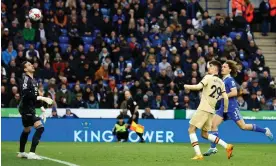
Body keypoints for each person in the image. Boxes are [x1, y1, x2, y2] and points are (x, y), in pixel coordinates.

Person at [204, 60, 273, 156]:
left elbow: (234, 92)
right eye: (222, 66)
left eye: (224, 67)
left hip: (231, 108)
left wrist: (222, 96)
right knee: (213, 125)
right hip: (223, 107)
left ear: (229, 69)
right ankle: (213, 148)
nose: (222, 68)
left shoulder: (230, 80)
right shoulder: (223, 80)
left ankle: (265, 131)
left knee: (243, 127)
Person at [184, 60, 233, 160]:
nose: (208, 68)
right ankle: (227, 146)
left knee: (191, 130)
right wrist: (225, 111)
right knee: (204, 134)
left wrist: (186, 86)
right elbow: (226, 98)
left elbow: (198, 87)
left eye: (210, 67)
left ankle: (198, 154)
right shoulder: (221, 82)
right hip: (211, 110)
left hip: (203, 108)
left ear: (215, 69)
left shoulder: (208, 77)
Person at [17, 61, 53, 160]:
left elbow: (35, 97)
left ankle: (21, 152)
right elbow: (26, 94)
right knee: (40, 128)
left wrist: (42, 108)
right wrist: (43, 98)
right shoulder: (26, 79)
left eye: (31, 64)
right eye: (28, 65)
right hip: (26, 108)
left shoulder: (34, 81)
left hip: (30, 108)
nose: (32, 65)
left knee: (27, 130)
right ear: (25, 69)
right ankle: (32, 153)